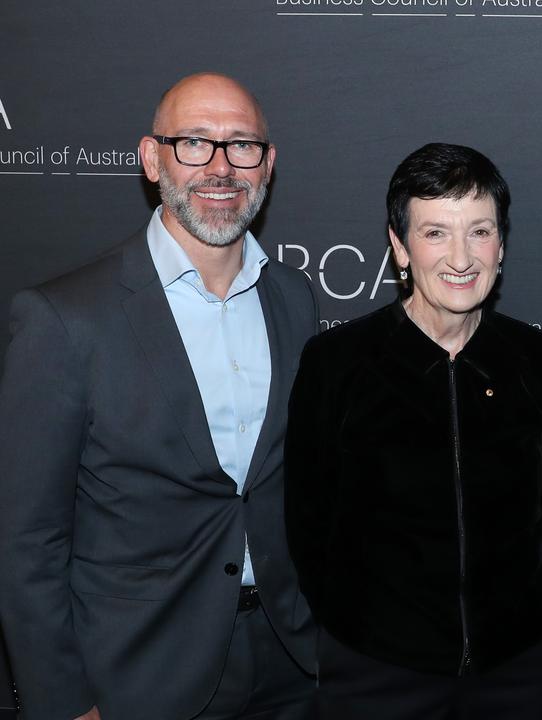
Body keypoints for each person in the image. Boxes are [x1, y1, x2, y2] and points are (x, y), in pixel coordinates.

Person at [0, 73, 318, 720]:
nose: (222, 167)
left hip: (292, 665)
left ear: (269, 163)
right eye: (195, 143)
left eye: (243, 145)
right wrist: (61, 702)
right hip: (138, 678)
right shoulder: (64, 319)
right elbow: (26, 539)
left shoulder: (293, 297)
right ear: (152, 158)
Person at [284, 142, 542, 720]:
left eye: (479, 231)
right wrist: (365, 633)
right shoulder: (337, 363)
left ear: (502, 243)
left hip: (517, 673)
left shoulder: (538, 360)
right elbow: (308, 523)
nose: (461, 258)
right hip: (377, 676)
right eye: (436, 233)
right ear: (399, 246)